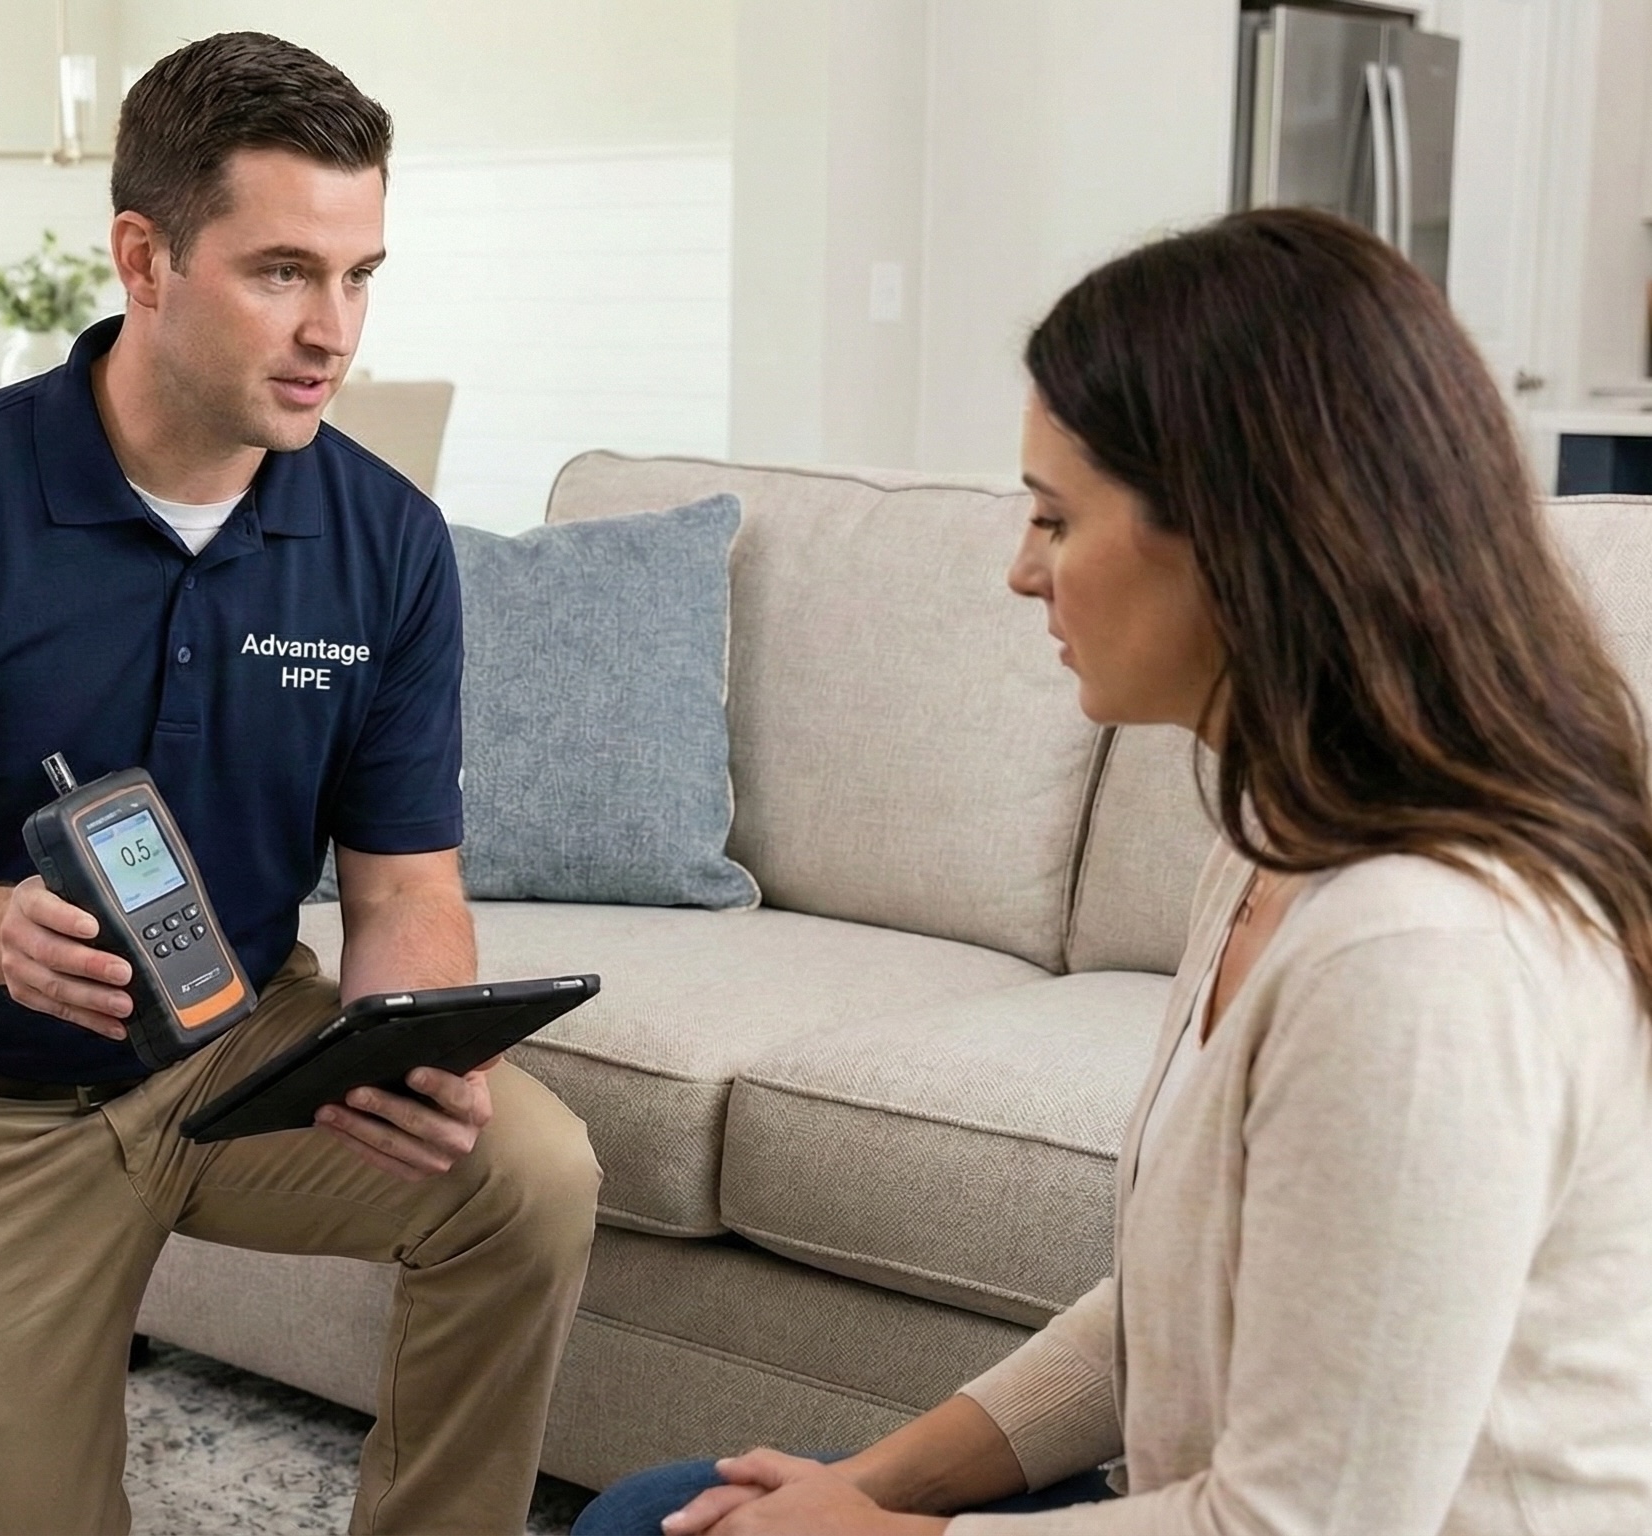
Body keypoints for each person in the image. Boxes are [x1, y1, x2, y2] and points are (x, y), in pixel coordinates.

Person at [575, 207, 1652, 1534]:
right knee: (668, 1511)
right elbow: (1156, 1316)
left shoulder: (1419, 957)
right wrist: (873, 1487)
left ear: (1240, 537)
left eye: (1052, 516)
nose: (1020, 571)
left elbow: (1308, 1526)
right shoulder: (1280, 832)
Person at [0, 33, 599, 1536]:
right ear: (143, 258)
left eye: (358, 275)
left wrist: (405, 1044)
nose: (331, 330)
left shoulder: (386, 538)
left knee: (524, 1171)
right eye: (281, 271)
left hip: (238, 1048)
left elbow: (405, 884)